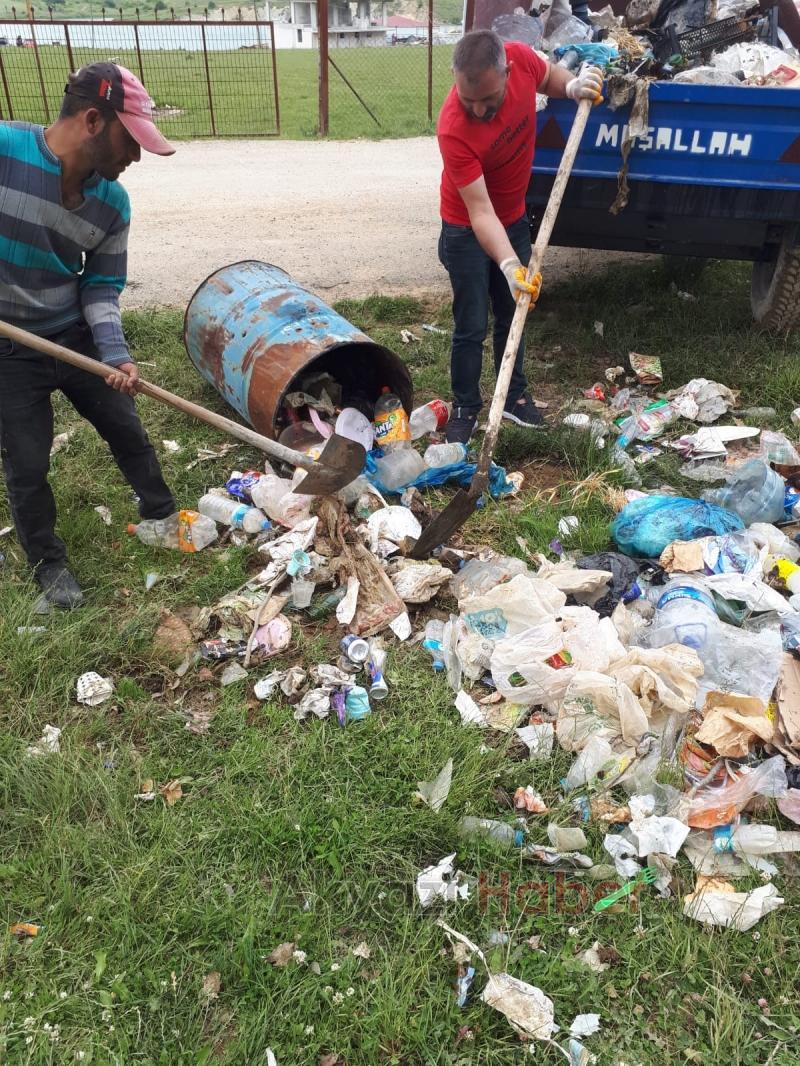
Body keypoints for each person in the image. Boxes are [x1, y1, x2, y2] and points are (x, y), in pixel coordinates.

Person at [0, 62, 177, 610]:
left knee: (126, 426)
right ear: (94, 120)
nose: (137, 156)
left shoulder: (112, 204)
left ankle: (162, 514)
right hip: (10, 351)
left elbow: (100, 286)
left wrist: (115, 355)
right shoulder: (4, 152)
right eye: (133, 140)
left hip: (72, 336)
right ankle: (49, 568)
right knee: (26, 463)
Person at [437, 30, 602, 443]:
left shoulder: (522, 60)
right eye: (468, 99)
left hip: (511, 217)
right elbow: (479, 211)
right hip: (465, 227)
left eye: (487, 99)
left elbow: (549, 77)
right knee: (471, 321)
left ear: (508, 72)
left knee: (515, 311)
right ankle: (466, 405)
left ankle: (513, 395)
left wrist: (572, 85)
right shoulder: (454, 128)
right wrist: (509, 264)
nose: (476, 109)